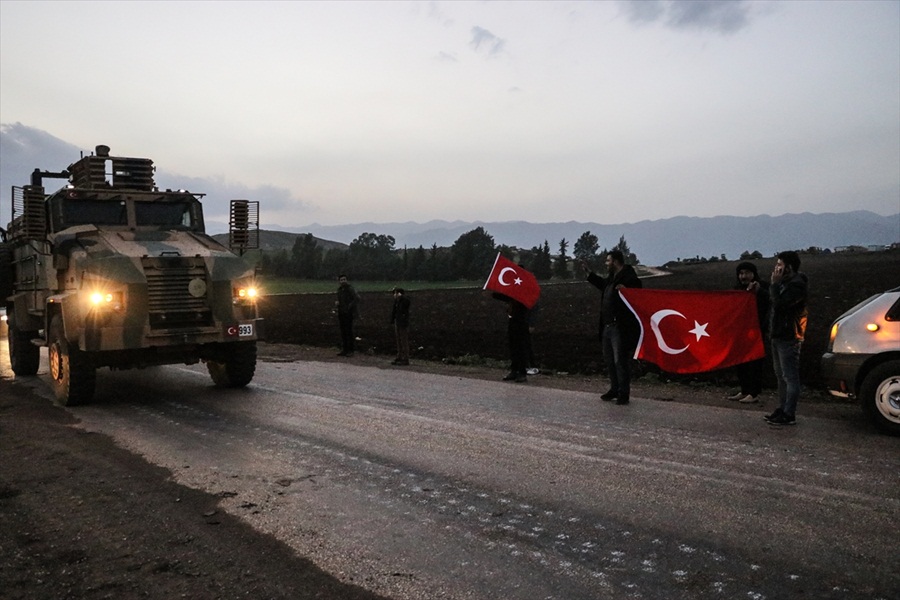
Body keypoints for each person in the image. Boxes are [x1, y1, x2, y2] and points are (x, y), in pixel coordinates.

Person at [580, 250, 642, 405]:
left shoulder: (629, 277)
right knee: (610, 361)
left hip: (619, 328)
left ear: (615, 262)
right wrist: (589, 274)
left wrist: (627, 290)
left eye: (608, 261)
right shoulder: (612, 278)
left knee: (620, 361)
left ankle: (623, 393)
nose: (606, 264)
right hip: (607, 327)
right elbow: (603, 285)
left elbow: (637, 289)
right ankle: (614, 389)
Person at [765, 251, 808, 426]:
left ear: (789, 267)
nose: (776, 268)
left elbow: (781, 305)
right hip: (778, 335)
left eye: (780, 264)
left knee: (790, 376)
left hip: (789, 335)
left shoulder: (796, 286)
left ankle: (789, 413)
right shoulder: (785, 283)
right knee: (780, 376)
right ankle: (782, 409)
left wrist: (774, 286)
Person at [726, 261, 770, 404]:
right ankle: (744, 390)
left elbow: (771, 301)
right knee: (741, 362)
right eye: (741, 273)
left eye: (746, 273)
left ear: (753, 274)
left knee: (755, 363)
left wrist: (758, 292)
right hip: (740, 332)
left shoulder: (762, 287)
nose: (743, 276)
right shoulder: (737, 289)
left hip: (757, 331)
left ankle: (754, 393)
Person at [492, 292, 530, 383]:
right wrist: (494, 294)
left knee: (520, 348)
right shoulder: (514, 292)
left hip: (521, 322)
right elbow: (507, 297)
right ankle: (514, 370)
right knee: (513, 346)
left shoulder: (523, 295)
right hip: (513, 321)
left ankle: (522, 372)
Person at [335, 274, 360, 357]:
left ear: (346, 280)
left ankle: (351, 350)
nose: (343, 281)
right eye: (341, 280)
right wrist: (337, 304)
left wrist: (349, 306)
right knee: (343, 332)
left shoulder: (350, 289)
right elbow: (339, 299)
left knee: (349, 331)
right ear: (339, 281)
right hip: (341, 312)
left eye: (344, 279)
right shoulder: (340, 290)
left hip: (348, 313)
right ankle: (344, 349)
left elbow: (357, 298)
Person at [389, 287, 411, 366]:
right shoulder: (396, 302)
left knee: (403, 341)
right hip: (397, 322)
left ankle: (405, 358)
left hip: (403, 323)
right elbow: (394, 311)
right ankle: (399, 356)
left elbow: (405, 305)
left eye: (396, 293)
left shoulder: (404, 301)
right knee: (398, 340)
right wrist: (392, 320)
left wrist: (401, 298)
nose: (394, 295)